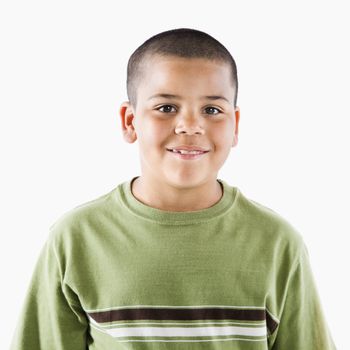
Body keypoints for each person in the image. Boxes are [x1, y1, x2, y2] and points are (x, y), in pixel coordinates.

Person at [10, 28, 336, 349]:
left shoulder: (279, 243)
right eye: (166, 108)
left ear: (235, 125)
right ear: (129, 121)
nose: (190, 125)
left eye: (212, 110)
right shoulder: (75, 238)